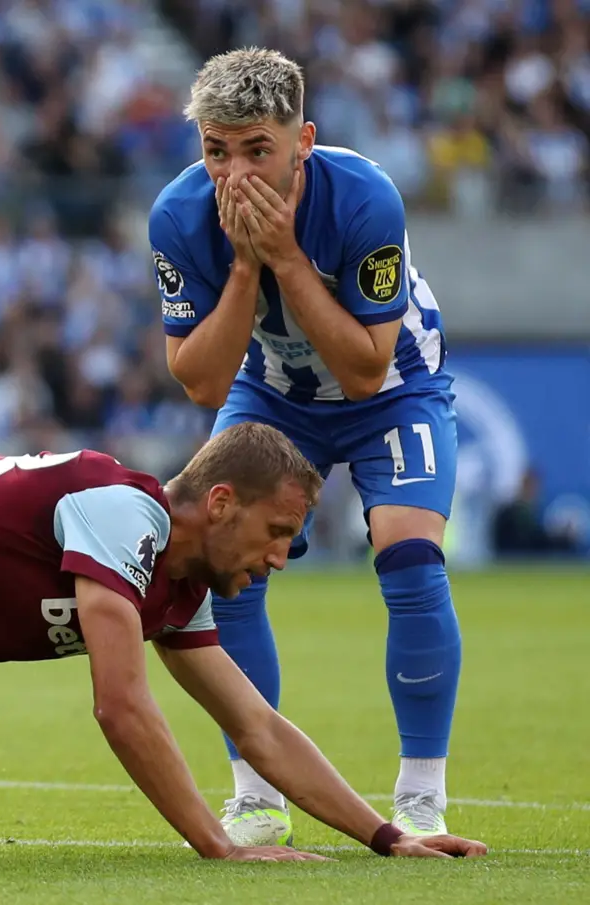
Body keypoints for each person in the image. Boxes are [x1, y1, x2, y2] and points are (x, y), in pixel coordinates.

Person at [149, 48, 462, 845]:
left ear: (304, 141)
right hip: (274, 391)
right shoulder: (179, 216)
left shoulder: (365, 199)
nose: (235, 172)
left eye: (258, 149)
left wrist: (287, 255)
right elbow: (199, 382)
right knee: (225, 565)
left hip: (397, 388)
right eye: (217, 151)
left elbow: (364, 369)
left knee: (408, 556)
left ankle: (421, 793)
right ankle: (256, 793)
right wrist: (247, 268)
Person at [0, 426, 486, 862]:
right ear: (221, 502)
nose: (279, 557)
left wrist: (387, 838)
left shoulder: (179, 590)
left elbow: (258, 727)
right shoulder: (122, 516)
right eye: (276, 529)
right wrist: (218, 846)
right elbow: (121, 706)